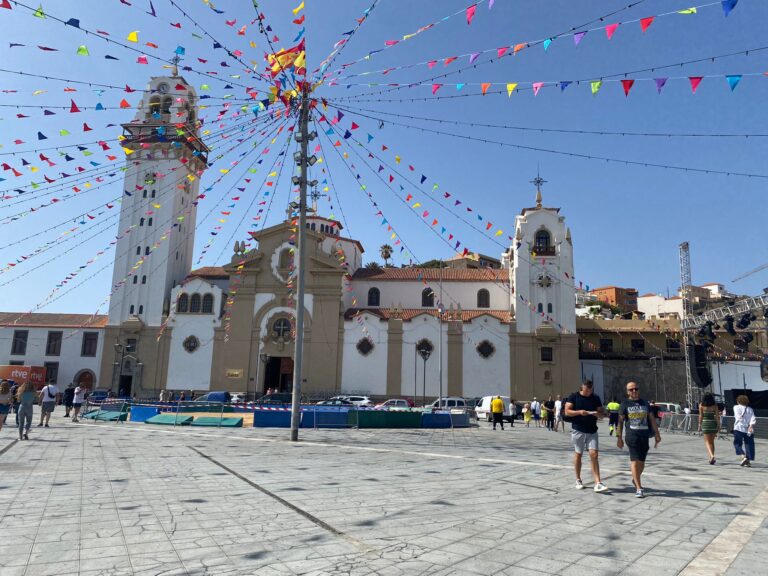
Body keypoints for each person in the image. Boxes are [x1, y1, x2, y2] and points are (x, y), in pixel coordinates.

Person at [616, 382, 661, 498]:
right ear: (627, 392)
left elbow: (651, 419)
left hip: (644, 436)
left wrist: (657, 434)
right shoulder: (625, 404)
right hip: (632, 436)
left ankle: (635, 479)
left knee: (642, 462)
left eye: (636, 389)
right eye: (631, 390)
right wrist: (619, 438)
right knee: (635, 461)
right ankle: (639, 488)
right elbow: (620, 422)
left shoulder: (645, 402)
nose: (634, 391)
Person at [564, 380, 608, 492]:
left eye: (590, 390)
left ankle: (598, 482)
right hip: (578, 430)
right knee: (578, 454)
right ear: (581, 388)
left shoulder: (595, 398)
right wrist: (579, 412)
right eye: (586, 390)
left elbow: (602, 414)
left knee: (594, 454)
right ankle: (578, 479)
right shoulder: (573, 396)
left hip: (592, 430)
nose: (589, 392)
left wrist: (598, 414)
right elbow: (567, 411)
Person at [732, 395, 756, 467]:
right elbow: (753, 418)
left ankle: (743, 457)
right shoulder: (750, 409)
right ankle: (747, 461)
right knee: (749, 445)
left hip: (739, 428)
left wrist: (746, 425)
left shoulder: (736, 407)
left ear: (738, 401)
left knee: (737, 443)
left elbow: (739, 417)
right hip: (749, 430)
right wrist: (750, 426)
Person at [698, 393, 720, 465]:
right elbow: (717, 416)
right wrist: (718, 425)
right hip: (713, 424)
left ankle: (712, 456)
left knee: (707, 442)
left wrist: (699, 425)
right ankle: (711, 458)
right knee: (712, 442)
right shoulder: (715, 405)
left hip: (706, 424)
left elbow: (701, 416)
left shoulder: (701, 405)